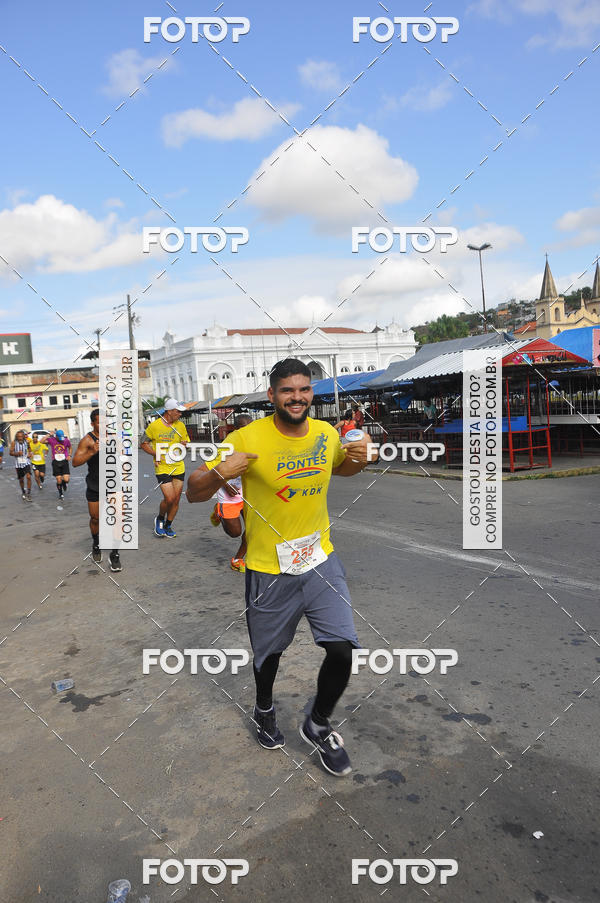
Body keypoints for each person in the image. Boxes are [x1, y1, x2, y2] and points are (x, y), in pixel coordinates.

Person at [187, 358, 376, 777]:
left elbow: (340, 468)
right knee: (268, 655)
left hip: (320, 559)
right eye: (287, 390)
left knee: (343, 649)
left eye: (304, 389)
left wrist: (360, 458)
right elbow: (193, 492)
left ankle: (318, 722)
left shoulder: (327, 434)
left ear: (312, 393)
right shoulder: (245, 437)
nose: (297, 397)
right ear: (271, 395)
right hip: (268, 569)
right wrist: (221, 470)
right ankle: (265, 708)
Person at [73, 409, 121, 571]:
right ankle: (96, 543)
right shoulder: (87, 440)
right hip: (94, 484)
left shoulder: (114, 436)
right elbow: (75, 462)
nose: (105, 425)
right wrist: (92, 451)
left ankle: (114, 554)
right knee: (95, 519)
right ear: (93, 423)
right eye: (101, 422)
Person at [141, 398, 189, 538]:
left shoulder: (180, 426)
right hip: (162, 467)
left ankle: (168, 525)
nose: (180, 414)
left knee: (176, 499)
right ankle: (160, 518)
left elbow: (184, 441)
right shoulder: (154, 426)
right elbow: (143, 443)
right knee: (169, 498)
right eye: (177, 411)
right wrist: (155, 454)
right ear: (169, 411)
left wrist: (183, 444)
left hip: (178, 466)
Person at [209, 414, 252, 572]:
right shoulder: (227, 446)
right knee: (235, 532)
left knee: (254, 528)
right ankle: (218, 512)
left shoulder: (256, 444)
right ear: (236, 429)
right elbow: (212, 468)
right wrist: (225, 484)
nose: (248, 432)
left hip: (248, 494)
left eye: (250, 428)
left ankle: (238, 559)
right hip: (228, 495)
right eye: (243, 428)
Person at [46, 429, 72, 498]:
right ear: (56, 436)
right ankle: (61, 494)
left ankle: (64, 483)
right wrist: (48, 435)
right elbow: (41, 441)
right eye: (59, 438)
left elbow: (70, 447)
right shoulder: (52, 440)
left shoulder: (66, 440)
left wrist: (69, 455)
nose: (61, 440)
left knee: (66, 479)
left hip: (64, 461)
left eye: (62, 438)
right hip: (56, 462)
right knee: (59, 479)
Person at [10, 430, 32, 501]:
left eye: (21, 436)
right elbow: (10, 453)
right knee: (21, 479)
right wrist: (17, 453)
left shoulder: (27, 442)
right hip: (18, 464)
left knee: (28, 477)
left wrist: (30, 454)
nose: (20, 438)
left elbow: (29, 449)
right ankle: (23, 491)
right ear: (16, 437)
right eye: (18, 436)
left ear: (23, 437)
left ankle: (28, 492)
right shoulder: (14, 443)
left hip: (26, 462)